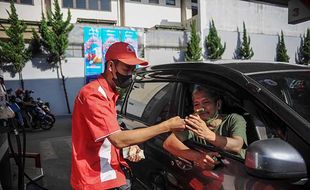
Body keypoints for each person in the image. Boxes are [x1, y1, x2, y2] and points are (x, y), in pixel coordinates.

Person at [71, 42, 185, 190]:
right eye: (127, 68)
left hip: (110, 172)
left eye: (133, 69)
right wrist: (166, 126)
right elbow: (117, 139)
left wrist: (129, 146)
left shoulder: (109, 93)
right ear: (111, 66)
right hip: (97, 178)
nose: (131, 74)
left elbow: (106, 135)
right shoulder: (94, 95)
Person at [163, 85, 247, 170]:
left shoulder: (233, 119)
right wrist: (199, 157)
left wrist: (207, 134)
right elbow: (169, 143)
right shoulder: (195, 123)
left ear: (218, 104)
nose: (200, 108)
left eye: (206, 102)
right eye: (196, 104)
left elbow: (236, 146)